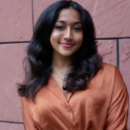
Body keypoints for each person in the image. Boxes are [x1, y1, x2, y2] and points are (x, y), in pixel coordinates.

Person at [18, 0, 129, 130]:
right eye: (60, 27)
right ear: (46, 32)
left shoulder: (110, 76)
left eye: (77, 28)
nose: (68, 35)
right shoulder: (32, 87)